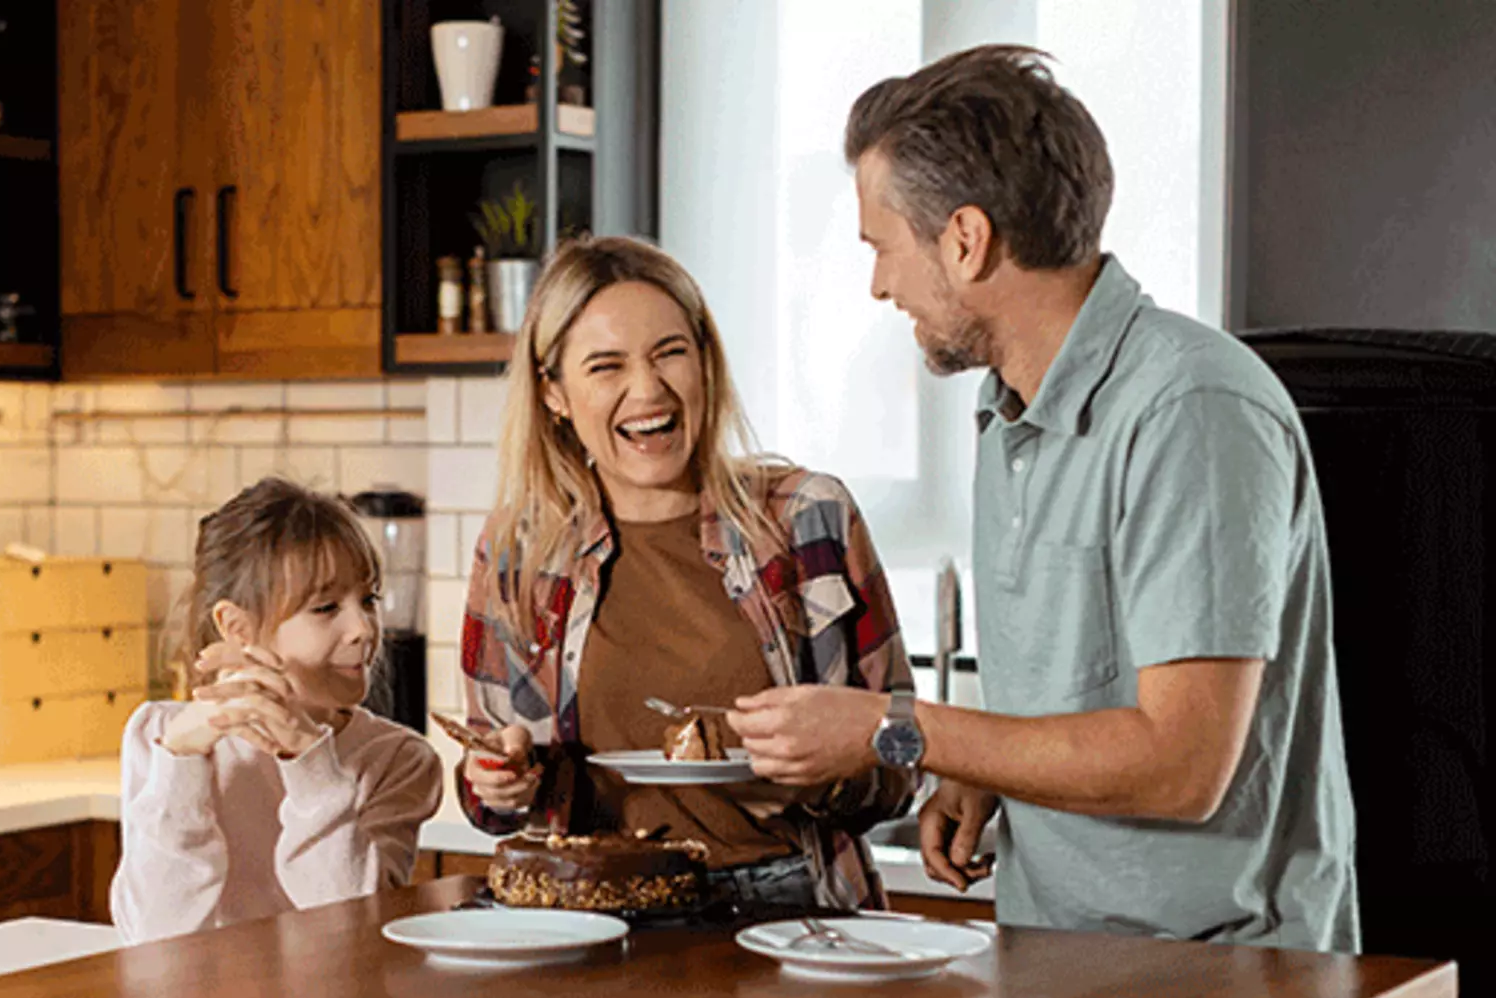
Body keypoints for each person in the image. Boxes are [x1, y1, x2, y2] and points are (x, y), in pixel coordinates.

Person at [729, 45, 1358, 951]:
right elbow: (1085, 693)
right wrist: (986, 769)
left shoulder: (1191, 408)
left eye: (883, 247)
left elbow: (1184, 766)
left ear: (966, 239)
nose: (879, 285)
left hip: (1223, 982)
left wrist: (895, 731)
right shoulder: (1009, 415)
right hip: (1059, 959)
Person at [456, 235, 914, 909]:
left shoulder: (807, 518)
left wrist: (823, 771)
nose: (648, 390)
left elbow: (902, 753)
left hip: (788, 904)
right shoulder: (518, 549)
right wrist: (497, 780)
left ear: (705, 362)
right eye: (606, 366)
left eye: (670, 352)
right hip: (590, 910)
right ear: (554, 393)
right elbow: (490, 799)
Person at [110, 479, 443, 943]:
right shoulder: (160, 736)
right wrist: (180, 763)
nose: (363, 629)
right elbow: (152, 934)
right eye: (326, 607)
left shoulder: (398, 760)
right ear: (236, 627)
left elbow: (355, 929)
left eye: (368, 599)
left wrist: (309, 759)